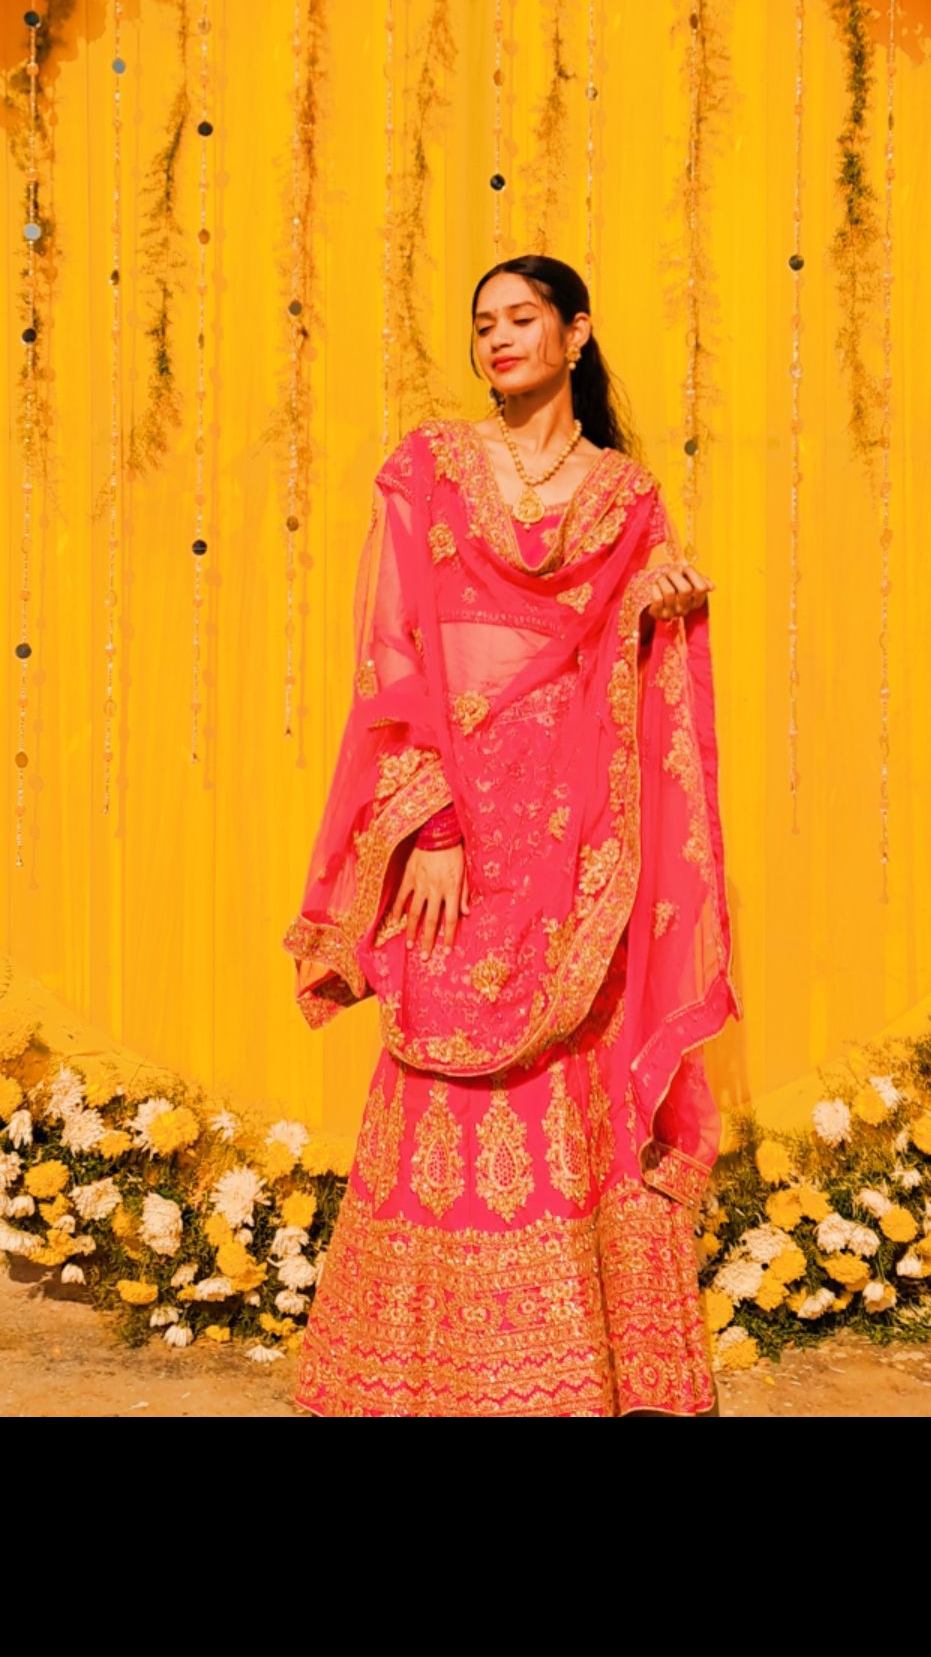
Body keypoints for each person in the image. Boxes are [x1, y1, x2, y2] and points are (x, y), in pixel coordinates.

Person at [283, 253, 739, 1416]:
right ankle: (420, 1366)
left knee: (574, 1049)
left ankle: (571, 1363)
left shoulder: (627, 496)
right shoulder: (430, 466)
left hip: (576, 819)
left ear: (576, 333)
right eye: (483, 323)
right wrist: (429, 817)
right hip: (458, 808)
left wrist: (665, 605)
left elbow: (634, 644)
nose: (497, 339)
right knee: (441, 1041)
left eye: (522, 318)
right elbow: (392, 646)